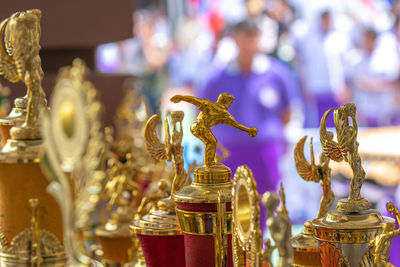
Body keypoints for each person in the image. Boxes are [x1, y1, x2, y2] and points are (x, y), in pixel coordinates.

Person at [201, 18, 293, 230]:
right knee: (233, 206)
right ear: (234, 40)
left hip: (265, 151)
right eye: (243, 37)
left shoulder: (276, 74)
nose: (248, 43)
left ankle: (262, 253)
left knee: (267, 203)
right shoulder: (218, 77)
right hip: (231, 152)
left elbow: (287, 112)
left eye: (252, 37)